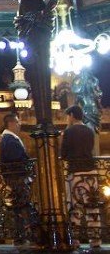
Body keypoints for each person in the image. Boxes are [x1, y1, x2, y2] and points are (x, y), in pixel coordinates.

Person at [61, 104, 101, 249]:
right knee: (92, 206)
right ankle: (95, 240)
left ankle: (75, 240)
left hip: (75, 173)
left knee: (74, 206)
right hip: (91, 172)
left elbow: (63, 154)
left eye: (68, 116)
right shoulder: (90, 130)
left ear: (71, 115)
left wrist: (66, 132)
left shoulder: (69, 131)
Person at [0, 113, 35, 247]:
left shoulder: (8, 138)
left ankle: (22, 236)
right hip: (17, 178)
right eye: (18, 122)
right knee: (21, 206)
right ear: (11, 123)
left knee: (20, 207)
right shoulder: (9, 139)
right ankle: (22, 236)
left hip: (14, 177)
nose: (19, 125)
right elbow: (16, 158)